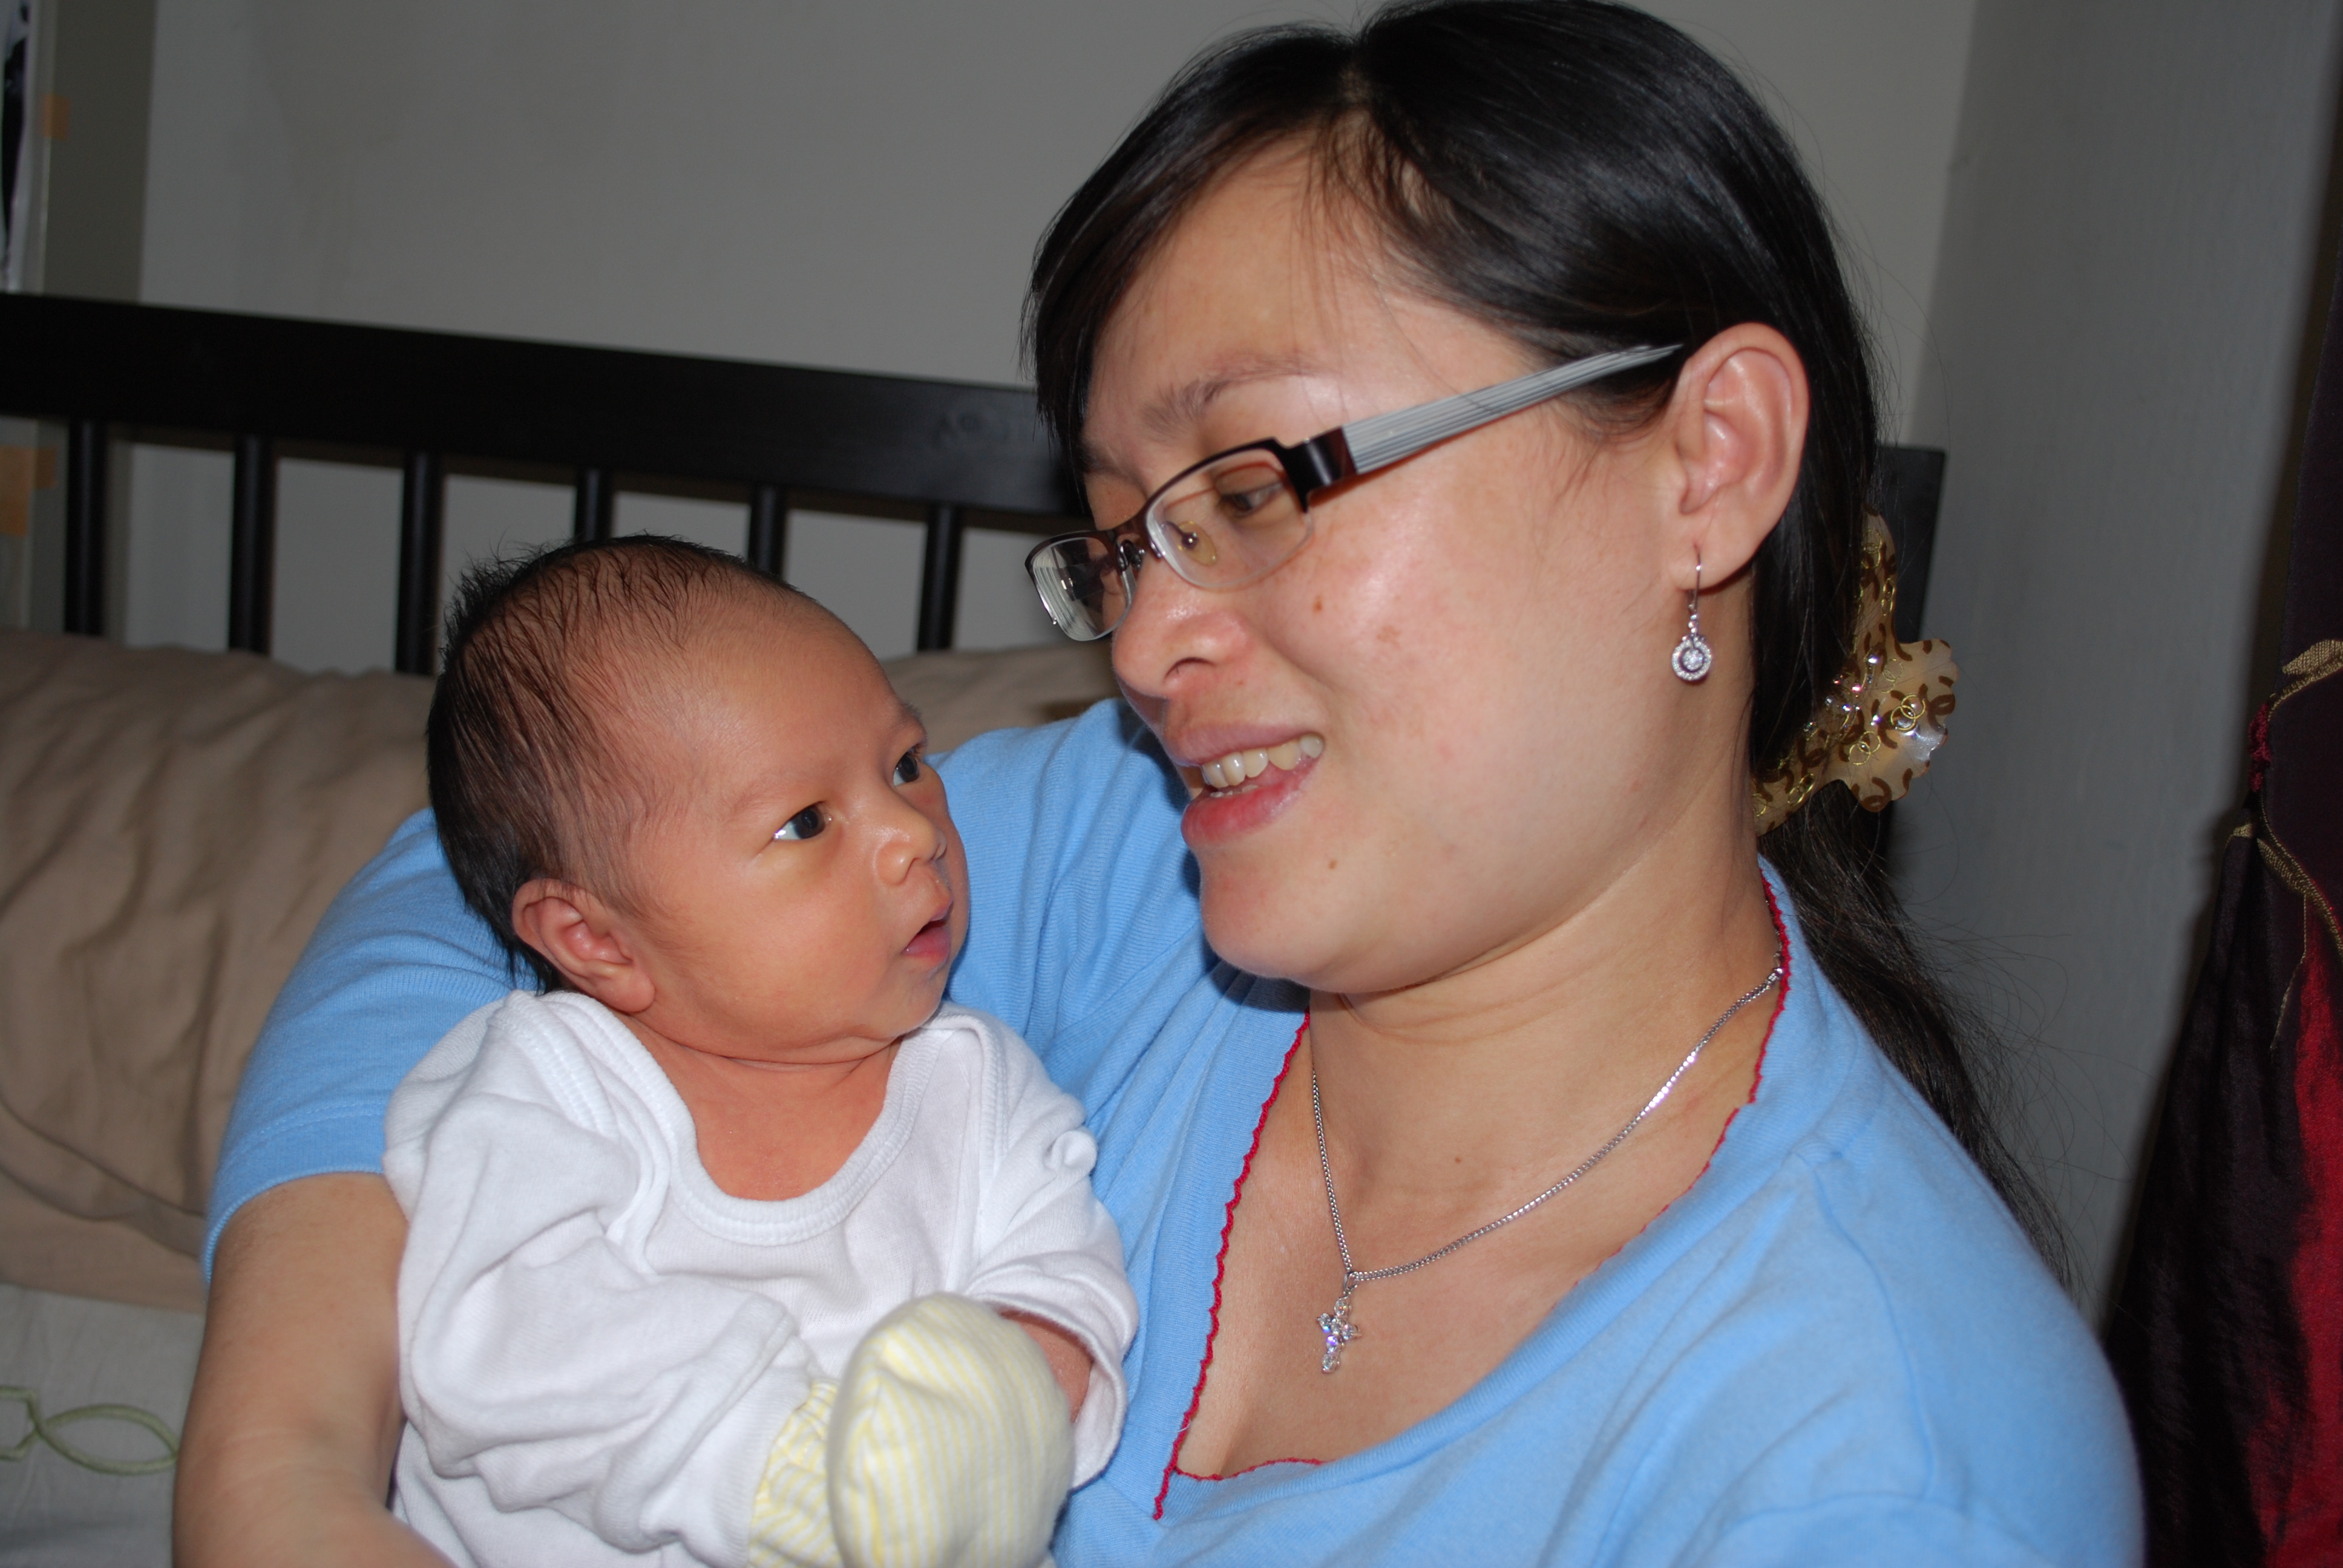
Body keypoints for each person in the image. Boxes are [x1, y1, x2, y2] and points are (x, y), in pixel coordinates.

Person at [175, 3, 2143, 1563]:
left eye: (1257, 487)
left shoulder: (1879, 1469)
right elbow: (493, 879)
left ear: (1704, 464)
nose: (1140, 645)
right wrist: (279, 1472)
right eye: (1123, 541)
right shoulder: (1146, 869)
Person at [382, 537, 1134, 1567]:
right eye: (806, 822)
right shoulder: (546, 1086)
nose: (913, 832)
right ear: (597, 941)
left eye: (907, 765)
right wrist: (783, 1471)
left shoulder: (981, 1091)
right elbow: (497, 1337)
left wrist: (1014, 1386)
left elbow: (1064, 1280)